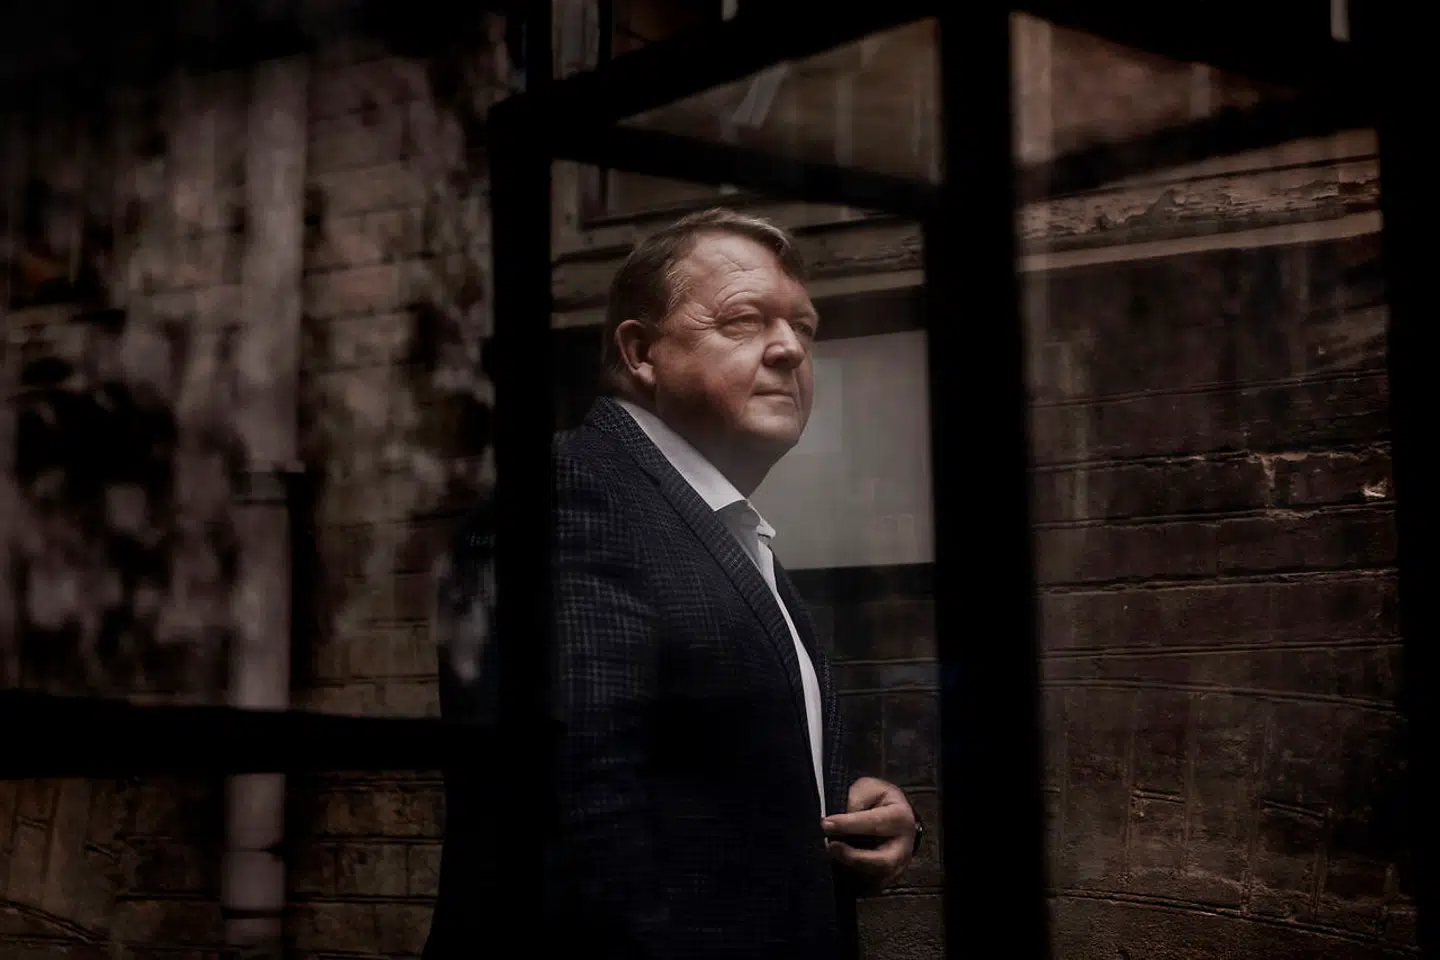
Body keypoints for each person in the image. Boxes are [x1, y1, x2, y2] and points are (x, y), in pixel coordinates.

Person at [425, 208, 922, 959]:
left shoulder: (710, 520)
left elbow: (694, 774)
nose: (790, 348)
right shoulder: (574, 499)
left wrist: (840, 803)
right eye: (744, 320)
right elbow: (577, 832)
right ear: (640, 352)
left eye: (804, 327)